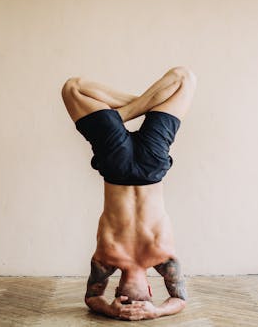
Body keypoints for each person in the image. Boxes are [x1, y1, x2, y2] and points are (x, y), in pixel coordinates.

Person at [61, 66, 196, 321]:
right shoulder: (106, 258)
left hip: (148, 166)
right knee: (73, 87)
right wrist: (111, 308)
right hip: (118, 166)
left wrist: (157, 310)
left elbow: (179, 299)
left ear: (149, 288)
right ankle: (129, 111)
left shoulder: (163, 257)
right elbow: (92, 298)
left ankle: (129, 111)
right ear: (116, 288)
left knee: (184, 78)